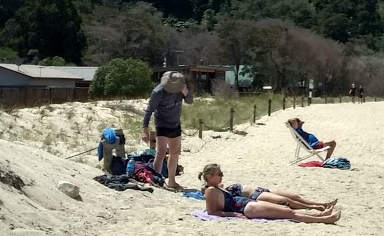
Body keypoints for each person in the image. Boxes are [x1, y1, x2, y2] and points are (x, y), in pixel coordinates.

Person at [200, 164, 339, 223]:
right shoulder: (211, 190)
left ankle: (321, 214)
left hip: (247, 204)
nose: (222, 176)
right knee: (288, 213)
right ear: (211, 175)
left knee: (286, 210)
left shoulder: (216, 187)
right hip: (244, 208)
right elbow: (212, 212)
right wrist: (233, 214)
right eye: (219, 174)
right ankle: (323, 219)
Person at [143, 70, 193, 192]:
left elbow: (190, 101)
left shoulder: (181, 90)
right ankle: (156, 179)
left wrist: (185, 91)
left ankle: (171, 181)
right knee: (160, 153)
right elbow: (149, 111)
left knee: (174, 154)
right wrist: (145, 129)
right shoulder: (158, 92)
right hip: (161, 124)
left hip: (175, 124)